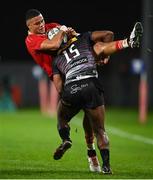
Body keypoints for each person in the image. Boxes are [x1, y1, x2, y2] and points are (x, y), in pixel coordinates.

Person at [25, 9, 115, 172]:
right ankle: (93, 155)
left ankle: (75, 144)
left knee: (74, 114)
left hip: (72, 67)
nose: (42, 24)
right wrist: (63, 32)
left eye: (42, 20)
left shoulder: (51, 26)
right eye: (37, 23)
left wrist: (71, 33)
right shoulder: (31, 40)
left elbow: (73, 39)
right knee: (86, 115)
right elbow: (54, 44)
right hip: (58, 74)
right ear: (29, 26)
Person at [52, 22, 143, 174]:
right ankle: (106, 166)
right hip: (91, 84)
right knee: (100, 130)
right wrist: (105, 57)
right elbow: (108, 34)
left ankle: (66, 139)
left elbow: (58, 86)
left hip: (72, 87)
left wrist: (68, 100)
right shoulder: (83, 38)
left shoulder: (56, 59)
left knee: (61, 118)